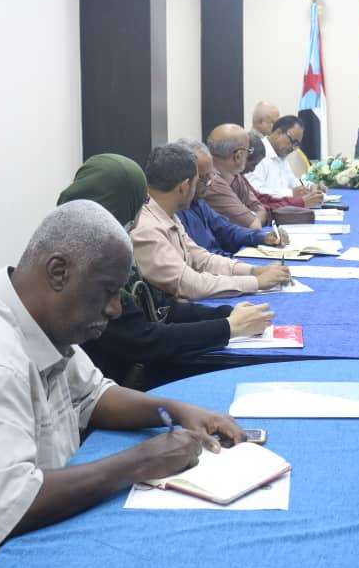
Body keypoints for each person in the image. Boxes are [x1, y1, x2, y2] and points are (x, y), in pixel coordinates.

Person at [0, 201, 246, 568]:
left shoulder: (31, 314)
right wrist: (143, 461)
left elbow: (94, 394)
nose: (115, 309)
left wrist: (178, 410)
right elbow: (15, 505)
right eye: (108, 291)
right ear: (58, 272)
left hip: (5, 538)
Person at [56, 153, 273, 388]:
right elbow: (142, 339)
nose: (143, 213)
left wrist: (226, 314)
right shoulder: (88, 265)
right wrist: (229, 327)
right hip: (112, 387)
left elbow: (160, 307)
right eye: (141, 203)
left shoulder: (106, 247)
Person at [131, 143, 290, 300]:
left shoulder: (167, 214)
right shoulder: (147, 229)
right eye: (198, 181)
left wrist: (254, 271)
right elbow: (189, 284)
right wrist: (256, 282)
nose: (207, 184)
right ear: (184, 187)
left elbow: (202, 259)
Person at [176, 138, 286, 256]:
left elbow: (228, 231)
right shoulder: (177, 211)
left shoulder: (199, 201)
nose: (209, 182)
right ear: (186, 180)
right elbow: (202, 259)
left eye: (211, 175)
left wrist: (263, 237)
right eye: (203, 178)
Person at [205, 126, 322, 229]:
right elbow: (254, 225)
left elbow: (259, 206)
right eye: (248, 150)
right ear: (238, 156)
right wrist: (256, 216)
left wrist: (257, 216)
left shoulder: (235, 176)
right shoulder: (214, 184)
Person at [246, 115, 311, 199]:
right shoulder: (258, 152)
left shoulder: (281, 156)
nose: (293, 148)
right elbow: (254, 191)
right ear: (278, 132)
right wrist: (290, 193)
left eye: (296, 145)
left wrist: (310, 187)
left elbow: (294, 183)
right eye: (292, 141)